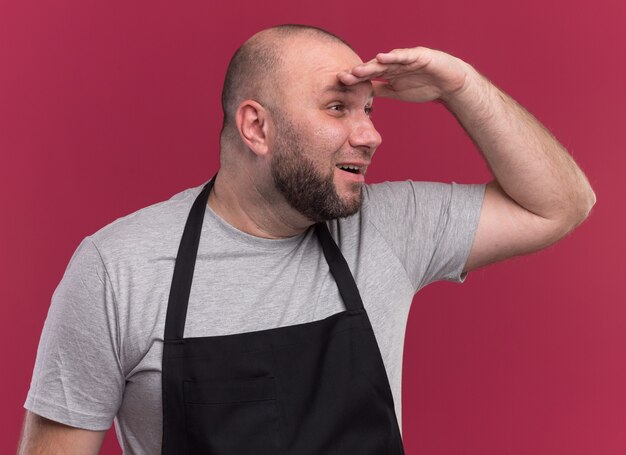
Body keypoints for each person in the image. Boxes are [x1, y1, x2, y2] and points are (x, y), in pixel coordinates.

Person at [18, 24, 595, 454]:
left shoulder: (385, 229)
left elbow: (562, 205)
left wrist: (460, 87)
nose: (370, 134)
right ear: (257, 127)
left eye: (369, 110)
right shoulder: (118, 267)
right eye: (338, 107)